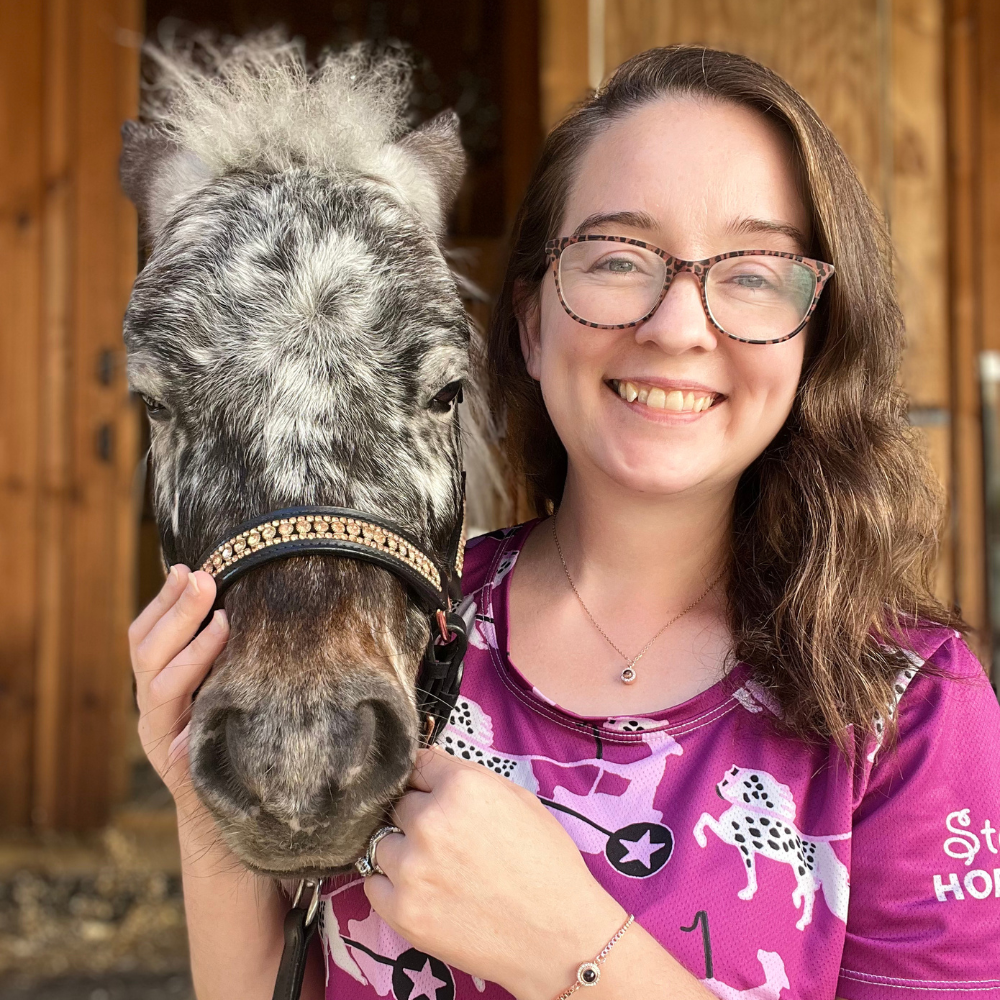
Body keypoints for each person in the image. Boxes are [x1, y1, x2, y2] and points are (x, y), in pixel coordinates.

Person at [129, 46, 1000, 1000]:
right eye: (618, 257)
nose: (677, 326)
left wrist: (574, 952)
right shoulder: (403, 642)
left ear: (811, 336)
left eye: (753, 273)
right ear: (533, 322)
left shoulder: (911, 712)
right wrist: (198, 797)